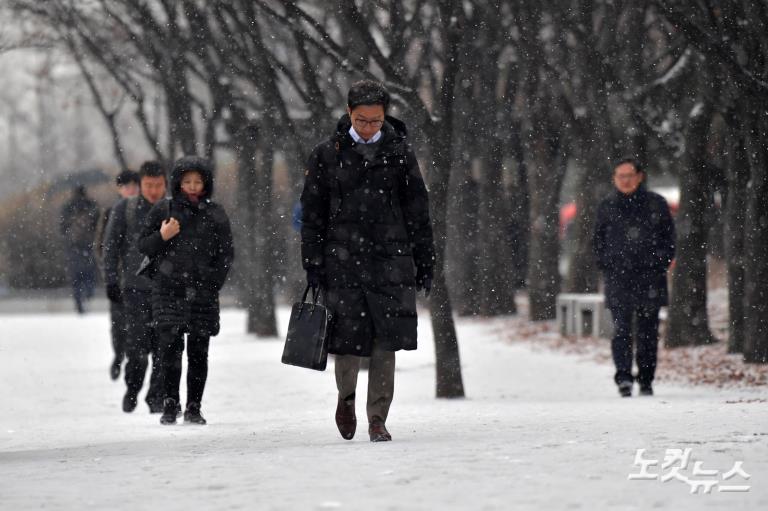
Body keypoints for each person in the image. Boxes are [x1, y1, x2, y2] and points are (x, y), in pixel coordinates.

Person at [300, 80, 435, 442]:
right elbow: (312, 213)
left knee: (385, 342)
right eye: (362, 120)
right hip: (342, 260)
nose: (369, 127)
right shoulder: (326, 155)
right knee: (346, 340)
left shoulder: (400, 154)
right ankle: (345, 400)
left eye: (376, 121)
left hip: (390, 260)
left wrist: (425, 259)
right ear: (348, 114)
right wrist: (312, 261)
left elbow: (418, 211)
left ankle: (378, 416)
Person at [138, 156, 234, 425]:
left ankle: (194, 406)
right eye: (187, 181)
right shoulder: (162, 210)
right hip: (168, 290)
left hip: (203, 292)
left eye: (198, 181)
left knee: (199, 350)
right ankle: (170, 403)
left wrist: (213, 282)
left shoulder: (216, 213)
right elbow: (143, 246)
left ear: (206, 183)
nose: (192, 186)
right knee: (169, 348)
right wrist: (163, 236)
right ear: (178, 183)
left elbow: (226, 253)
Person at [593, 158, 675, 397]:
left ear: (640, 176)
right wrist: (608, 264)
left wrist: (657, 262)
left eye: (629, 175)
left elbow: (669, 240)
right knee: (621, 331)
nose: (625, 181)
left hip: (650, 278)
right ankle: (624, 378)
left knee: (648, 332)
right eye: (620, 176)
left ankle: (647, 379)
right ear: (614, 179)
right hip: (618, 279)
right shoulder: (606, 206)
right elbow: (598, 242)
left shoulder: (656, 204)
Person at [103, 162, 167, 413]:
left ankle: (156, 396)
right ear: (140, 184)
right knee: (138, 345)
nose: (153, 191)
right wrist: (111, 280)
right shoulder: (125, 209)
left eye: (158, 185)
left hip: (165, 288)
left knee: (165, 346)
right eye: (149, 185)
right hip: (134, 288)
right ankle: (133, 387)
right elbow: (110, 248)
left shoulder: (172, 208)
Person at [96, 169, 140, 380]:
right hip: (120, 278)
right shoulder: (111, 212)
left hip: (140, 277)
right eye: (126, 186)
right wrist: (110, 273)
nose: (131, 189)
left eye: (134, 185)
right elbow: (102, 246)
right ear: (119, 189)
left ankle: (135, 359)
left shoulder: (148, 210)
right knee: (118, 322)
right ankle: (118, 355)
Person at [60, 185, 100, 314]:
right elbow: (98, 224)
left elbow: (62, 228)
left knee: (76, 276)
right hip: (89, 244)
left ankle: (79, 303)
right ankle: (88, 293)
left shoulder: (68, 207)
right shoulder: (92, 205)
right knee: (89, 272)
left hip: (73, 246)